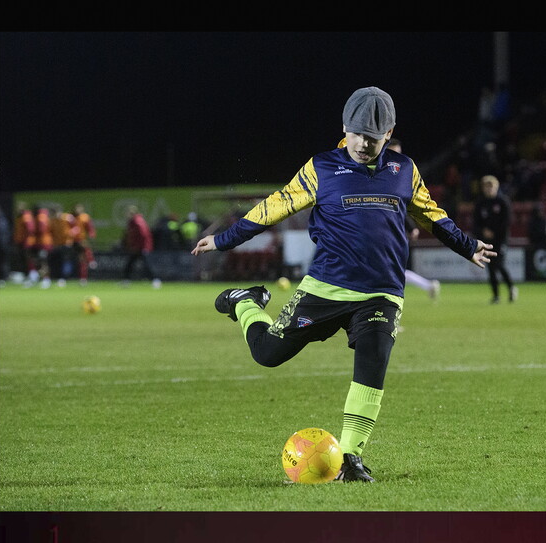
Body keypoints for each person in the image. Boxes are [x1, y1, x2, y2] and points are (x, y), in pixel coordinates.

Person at [190, 86, 495, 483]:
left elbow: (432, 215)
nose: (363, 144)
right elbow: (276, 205)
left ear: (389, 134)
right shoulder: (322, 167)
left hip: (382, 293)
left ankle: (350, 458)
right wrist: (224, 239)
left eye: (373, 137)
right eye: (356, 134)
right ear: (344, 128)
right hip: (325, 289)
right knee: (267, 354)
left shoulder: (405, 171)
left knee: (372, 363)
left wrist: (468, 246)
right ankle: (244, 302)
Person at [388, 138, 441, 302]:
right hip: (378, 231)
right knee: (389, 272)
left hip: (391, 232)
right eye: (393, 153)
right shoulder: (380, 174)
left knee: (390, 273)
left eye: (399, 153)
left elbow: (401, 205)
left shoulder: (402, 176)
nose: (397, 157)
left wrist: (410, 227)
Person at [473, 175, 517, 304]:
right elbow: (476, 223)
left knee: (499, 264)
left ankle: (511, 287)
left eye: (491, 186)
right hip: (486, 241)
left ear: (496, 187)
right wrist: (483, 231)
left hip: (500, 239)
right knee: (490, 267)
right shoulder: (480, 203)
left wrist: (495, 232)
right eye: (486, 186)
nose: (489, 189)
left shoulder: (503, 202)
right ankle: (496, 295)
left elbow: (507, 221)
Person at [122, 205, 161, 288]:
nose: (127, 215)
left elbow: (143, 235)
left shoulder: (137, 221)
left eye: (129, 213)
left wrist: (141, 247)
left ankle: (155, 280)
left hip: (142, 247)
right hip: (137, 247)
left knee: (146, 265)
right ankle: (126, 280)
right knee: (130, 264)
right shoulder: (132, 222)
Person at [72, 203, 97, 286]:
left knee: (84, 251)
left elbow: (90, 228)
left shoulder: (85, 217)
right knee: (81, 261)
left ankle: (91, 260)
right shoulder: (71, 218)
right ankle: (83, 278)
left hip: (82, 239)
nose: (77, 211)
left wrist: (91, 235)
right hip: (73, 241)